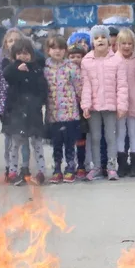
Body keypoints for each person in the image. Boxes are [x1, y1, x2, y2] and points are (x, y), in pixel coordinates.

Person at [4, 37, 48, 185]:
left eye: (26, 53)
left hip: (33, 114)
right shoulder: (12, 68)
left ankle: (41, 171)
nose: (23, 56)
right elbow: (7, 75)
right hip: (17, 114)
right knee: (16, 144)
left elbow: (42, 88)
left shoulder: (36, 68)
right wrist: (17, 69)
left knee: (37, 144)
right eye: (20, 53)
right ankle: (12, 172)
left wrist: (38, 103)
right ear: (14, 55)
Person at [81, 25, 121, 181]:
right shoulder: (86, 61)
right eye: (96, 38)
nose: (100, 40)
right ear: (92, 42)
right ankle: (96, 167)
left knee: (110, 137)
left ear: (109, 41)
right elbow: (86, 86)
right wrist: (85, 105)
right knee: (95, 137)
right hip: (94, 107)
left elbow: (122, 85)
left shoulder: (116, 60)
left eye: (103, 37)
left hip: (111, 106)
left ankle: (111, 167)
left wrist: (121, 105)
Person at [44, 35, 84, 183]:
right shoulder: (45, 69)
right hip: (53, 114)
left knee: (69, 143)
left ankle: (70, 168)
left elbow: (79, 87)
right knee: (56, 144)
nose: (57, 51)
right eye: (54, 48)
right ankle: (56, 168)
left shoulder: (71, 68)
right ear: (48, 50)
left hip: (70, 113)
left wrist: (83, 105)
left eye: (61, 48)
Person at [0, 28, 31, 181]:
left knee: (24, 139)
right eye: (10, 41)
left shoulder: (28, 62)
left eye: (17, 40)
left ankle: (25, 167)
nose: (13, 43)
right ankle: (10, 167)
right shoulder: (2, 63)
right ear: (5, 45)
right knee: (9, 139)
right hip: (6, 106)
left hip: (24, 106)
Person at [115, 28, 135, 177]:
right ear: (118, 44)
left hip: (134, 101)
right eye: (123, 43)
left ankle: (134, 165)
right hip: (119, 103)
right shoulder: (114, 60)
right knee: (120, 133)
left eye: (129, 44)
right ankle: (122, 164)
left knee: (133, 133)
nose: (126, 46)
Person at [68, 42, 89, 178]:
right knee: (69, 139)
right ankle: (70, 165)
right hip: (68, 110)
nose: (75, 59)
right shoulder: (65, 71)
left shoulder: (86, 72)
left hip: (82, 110)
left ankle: (82, 165)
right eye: (72, 57)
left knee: (81, 140)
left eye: (78, 56)